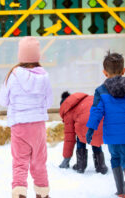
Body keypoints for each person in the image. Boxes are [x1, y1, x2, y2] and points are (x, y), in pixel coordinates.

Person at [0, 36, 52, 198]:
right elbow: (48, 101)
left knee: (20, 162)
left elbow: (3, 100)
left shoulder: (13, 75)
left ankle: (19, 191)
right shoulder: (44, 76)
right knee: (39, 162)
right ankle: (42, 192)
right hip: (38, 126)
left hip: (19, 125)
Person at [86, 52, 125, 197]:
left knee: (115, 158)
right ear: (123, 71)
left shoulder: (101, 91)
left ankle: (121, 191)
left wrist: (90, 129)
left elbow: (96, 112)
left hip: (112, 136)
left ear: (104, 73)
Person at [59, 91, 108, 174]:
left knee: (80, 135)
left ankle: (81, 165)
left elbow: (69, 137)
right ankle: (101, 166)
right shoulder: (85, 98)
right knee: (95, 137)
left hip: (85, 122)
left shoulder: (68, 110)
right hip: (101, 120)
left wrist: (66, 158)